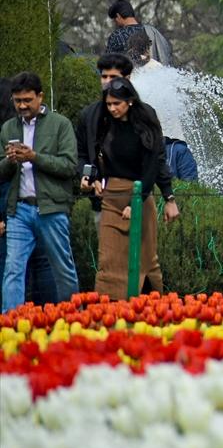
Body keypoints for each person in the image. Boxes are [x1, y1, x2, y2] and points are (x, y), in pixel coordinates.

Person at [80, 78, 178, 299]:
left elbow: (153, 166)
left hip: (140, 194)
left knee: (145, 260)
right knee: (109, 262)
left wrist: (142, 201)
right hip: (111, 198)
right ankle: (110, 314)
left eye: (117, 104)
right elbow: (93, 155)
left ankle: (149, 312)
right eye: (109, 104)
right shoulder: (103, 123)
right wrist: (93, 177)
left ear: (130, 101)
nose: (113, 108)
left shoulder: (146, 124)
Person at [1, 73, 73, 311]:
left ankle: (74, 319)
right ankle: (10, 324)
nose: (22, 106)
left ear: (40, 96)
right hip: (19, 209)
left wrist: (34, 157)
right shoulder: (8, 127)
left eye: (27, 100)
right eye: (17, 100)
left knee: (63, 268)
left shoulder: (60, 124)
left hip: (51, 208)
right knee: (13, 268)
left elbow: (69, 166)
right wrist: (10, 161)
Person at [77, 54, 173, 225]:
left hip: (139, 195)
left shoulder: (145, 115)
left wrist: (168, 196)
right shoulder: (90, 116)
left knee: (141, 251)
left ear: (127, 79)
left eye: (113, 77)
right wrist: (88, 177)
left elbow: (156, 159)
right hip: (103, 200)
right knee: (108, 252)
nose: (107, 82)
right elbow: (82, 153)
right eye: (104, 76)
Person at [105, 0, 172, 66]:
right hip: (155, 73)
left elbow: (107, 64)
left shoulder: (117, 35)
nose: (115, 23)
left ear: (118, 16)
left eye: (114, 20)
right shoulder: (152, 31)